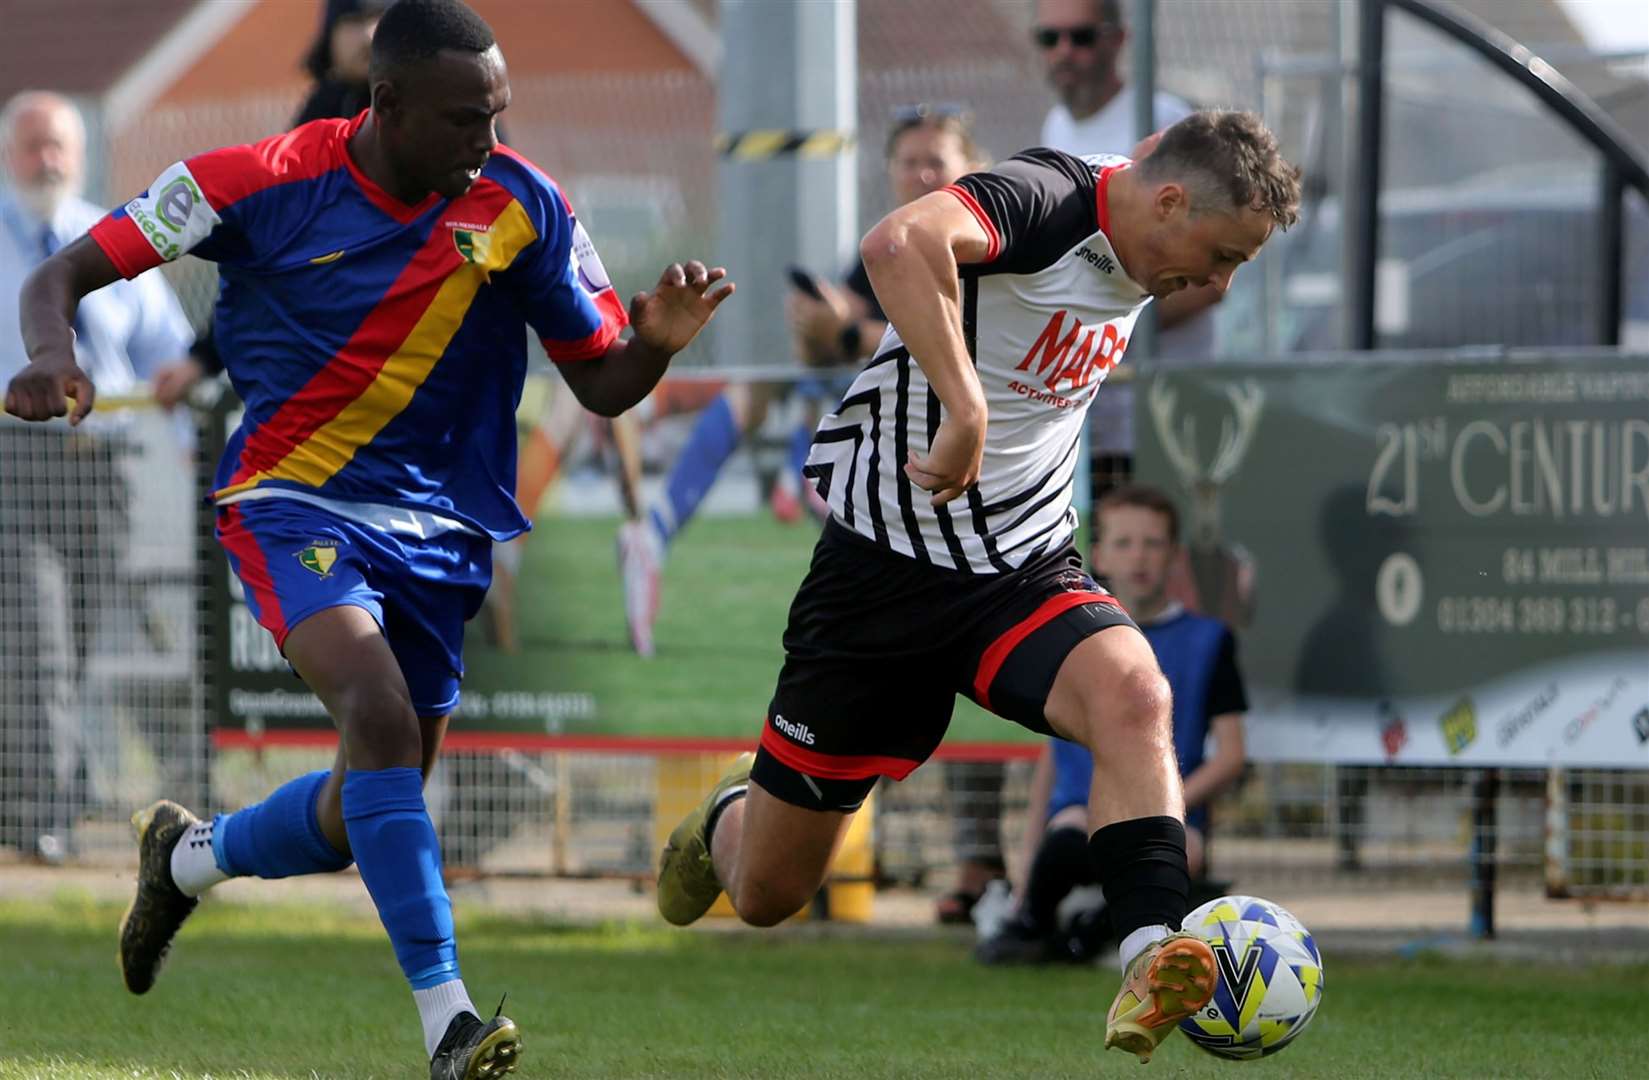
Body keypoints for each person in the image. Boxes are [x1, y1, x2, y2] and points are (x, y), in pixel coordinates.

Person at [6, 1, 733, 1076]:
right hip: (287, 498)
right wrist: (47, 354)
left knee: (364, 801)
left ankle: (187, 859)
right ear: (384, 105)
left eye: (496, 115)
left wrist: (656, 347)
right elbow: (58, 271)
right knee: (379, 715)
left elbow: (604, 381)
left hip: (438, 528)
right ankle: (448, 1021)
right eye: (460, 120)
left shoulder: (520, 204)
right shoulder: (257, 179)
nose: (484, 141)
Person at [656, 109, 1298, 1063]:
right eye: (1221, 253)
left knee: (1136, 692)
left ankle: (1152, 953)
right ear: (1167, 201)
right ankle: (726, 817)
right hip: (879, 575)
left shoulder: (1149, 239)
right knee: (767, 896)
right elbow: (898, 239)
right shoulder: (1048, 197)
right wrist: (963, 405)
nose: (1218, 281)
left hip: (1018, 568)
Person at [614, 104, 987, 657]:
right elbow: (848, 343)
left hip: (953, 446)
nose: (922, 175)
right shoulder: (884, 247)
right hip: (883, 432)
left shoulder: (983, 241)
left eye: (936, 161)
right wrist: (820, 327)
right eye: (909, 162)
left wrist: (846, 333)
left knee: (911, 627)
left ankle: (795, 473)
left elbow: (954, 345)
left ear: (970, 165)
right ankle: (662, 531)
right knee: (761, 384)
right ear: (889, 170)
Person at [0, 90, 199, 863]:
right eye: (31, 146)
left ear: (79, 154)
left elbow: (166, 351)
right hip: (15, 461)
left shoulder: (108, 242)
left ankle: (43, 789)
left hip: (102, 466)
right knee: (36, 632)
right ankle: (41, 812)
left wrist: (191, 436)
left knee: (76, 636)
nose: (46, 159)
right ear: (9, 154)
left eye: (58, 146)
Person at [977, 484, 1247, 966]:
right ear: (1098, 554)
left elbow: (1231, 755)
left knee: (1180, 852)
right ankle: (1032, 924)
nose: (1138, 556)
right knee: (1069, 838)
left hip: (1172, 817)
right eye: (1123, 543)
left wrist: (1167, 805)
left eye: (1153, 543)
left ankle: (1092, 936)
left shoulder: (1211, 641)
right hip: (1080, 816)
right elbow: (1051, 760)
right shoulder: (1072, 639)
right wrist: (1027, 864)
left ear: (1175, 555)